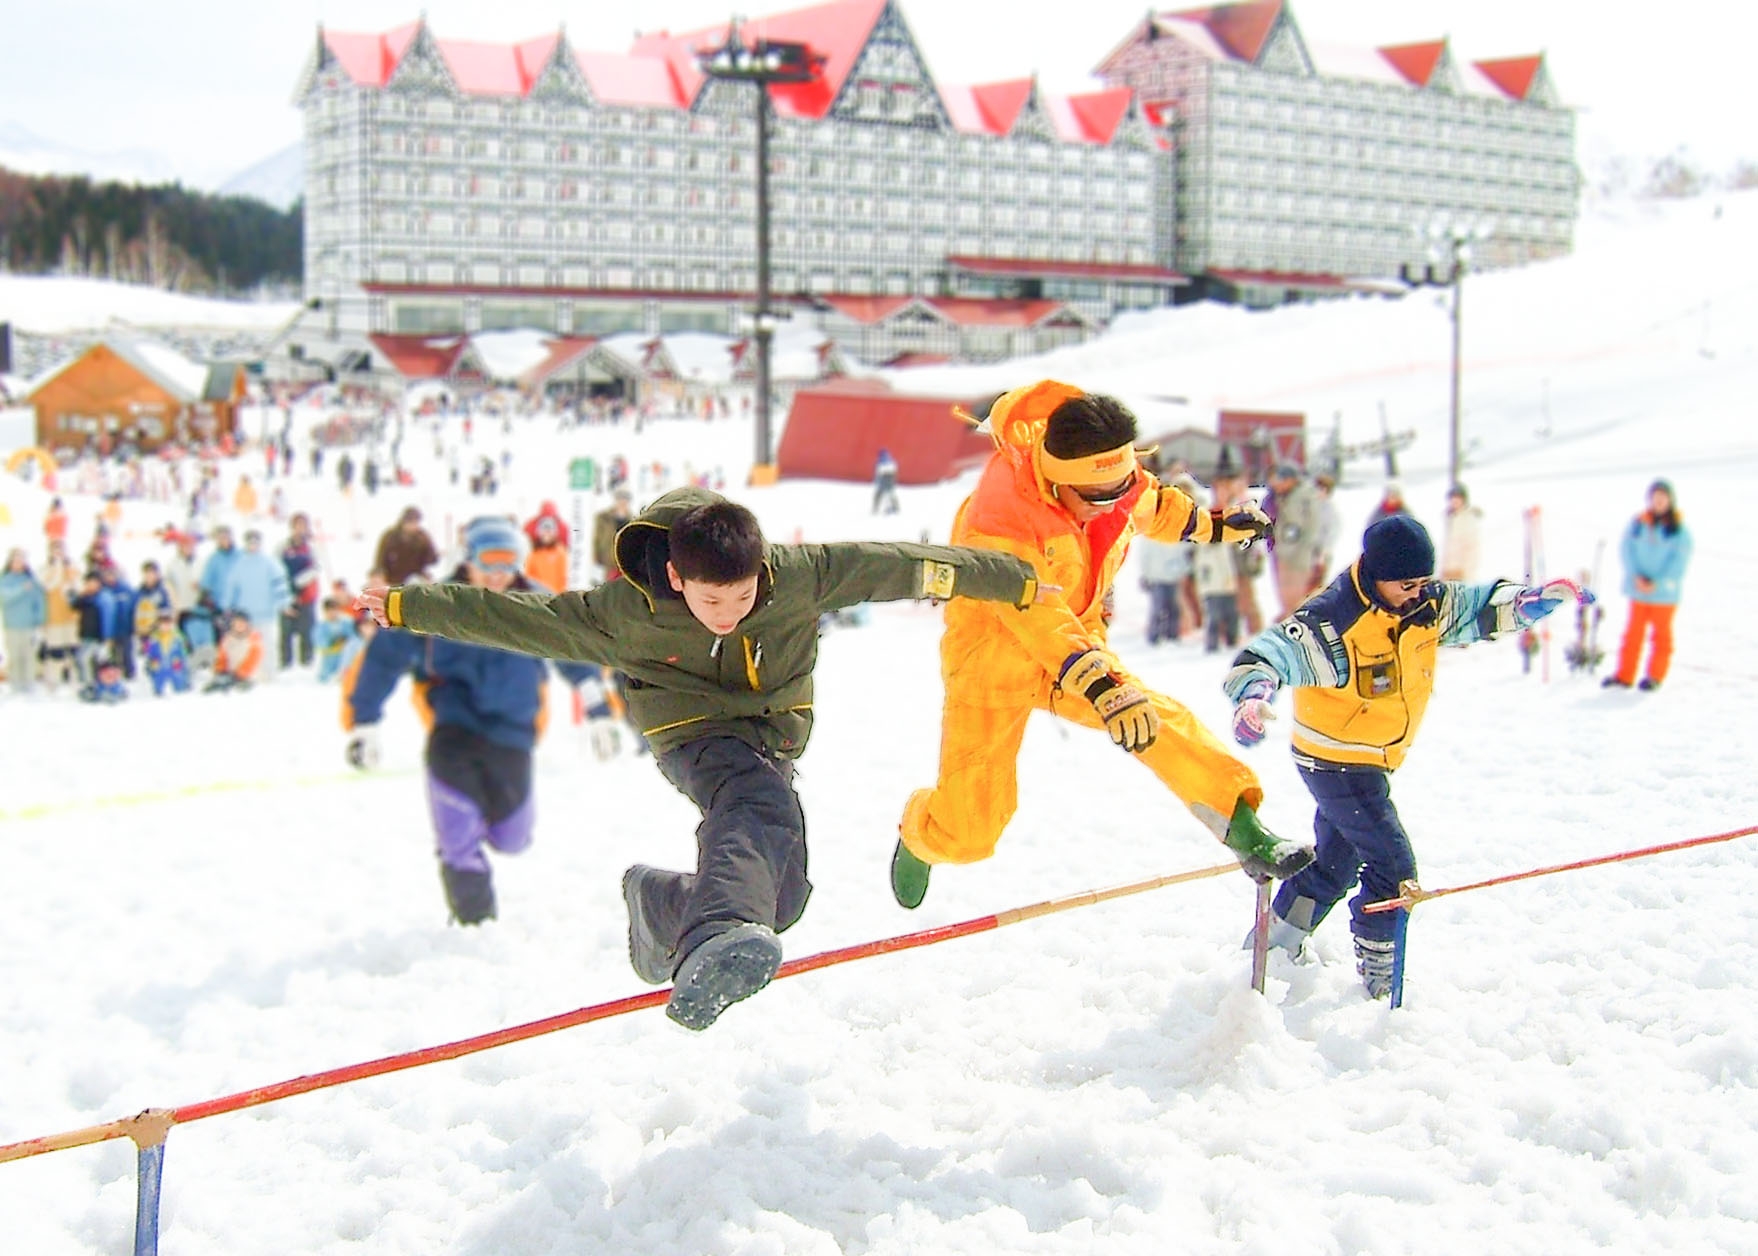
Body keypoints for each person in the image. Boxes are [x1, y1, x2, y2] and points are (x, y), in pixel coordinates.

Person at [357, 488, 1041, 1031]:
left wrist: (1016, 580)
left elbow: (907, 565)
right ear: (678, 576)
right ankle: (713, 928)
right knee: (753, 809)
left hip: (772, 738)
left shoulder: (802, 577)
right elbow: (510, 617)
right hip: (690, 732)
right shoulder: (621, 614)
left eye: (743, 596)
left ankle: (663, 906)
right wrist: (406, 605)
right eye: (712, 599)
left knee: (781, 897)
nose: (730, 614)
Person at [892, 382, 1311, 913]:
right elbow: (1035, 613)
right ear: (1055, 478)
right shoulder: (997, 520)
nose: (1110, 505)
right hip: (995, 659)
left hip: (1079, 650)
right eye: (1095, 498)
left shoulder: (1115, 483)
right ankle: (920, 832)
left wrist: (1220, 525)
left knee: (1156, 719)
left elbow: (1154, 507)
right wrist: (1102, 685)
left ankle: (1242, 827)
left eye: (1120, 489)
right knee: (972, 831)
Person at [1221, 514, 1589, 997]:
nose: (1417, 592)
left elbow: (1479, 608)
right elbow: (1266, 656)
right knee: (1393, 867)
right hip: (1336, 760)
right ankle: (1381, 974)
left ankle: (1274, 944)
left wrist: (1530, 602)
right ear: (1375, 576)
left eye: (1424, 582)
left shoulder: (1426, 604)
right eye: (1406, 584)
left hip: (1372, 757)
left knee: (1335, 863)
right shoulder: (1335, 619)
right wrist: (1254, 696)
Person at [344, 517, 599, 927]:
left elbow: (573, 649)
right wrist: (365, 722)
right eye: (489, 562)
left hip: (513, 734)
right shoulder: (432, 602)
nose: (498, 574)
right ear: (469, 559)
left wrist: (596, 705)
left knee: (513, 838)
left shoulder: (536, 603)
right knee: (457, 834)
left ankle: (482, 829)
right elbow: (383, 659)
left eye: (509, 563)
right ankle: (474, 921)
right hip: (454, 729)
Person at [1603, 479, 1692, 692]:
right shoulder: (1638, 523)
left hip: (1664, 594)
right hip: (1638, 590)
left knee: (1661, 636)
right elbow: (1626, 550)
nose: (1659, 502)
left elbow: (1679, 562)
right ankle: (1624, 675)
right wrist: (1636, 577)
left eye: (1663, 498)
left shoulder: (1679, 530)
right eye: (1655, 498)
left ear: (1670, 500)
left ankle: (1655, 676)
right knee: (1632, 634)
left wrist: (1657, 582)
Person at [223, 531, 291, 678]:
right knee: (247, 646)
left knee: (267, 645)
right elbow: (231, 586)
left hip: (266, 612)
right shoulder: (239, 564)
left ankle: (270, 673)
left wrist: (284, 603)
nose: (253, 545)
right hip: (246, 614)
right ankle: (250, 673)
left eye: (255, 542)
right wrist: (227, 606)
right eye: (250, 542)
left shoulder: (270, 563)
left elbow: (279, 584)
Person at [1264, 464, 1325, 617]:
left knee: (1296, 595)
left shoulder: (1306, 496)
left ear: (1291, 480)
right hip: (1283, 550)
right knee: (1284, 594)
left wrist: (1306, 547)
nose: (1278, 484)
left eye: (1281, 480)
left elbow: (1313, 524)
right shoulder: (1278, 496)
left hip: (1300, 552)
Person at [0, 549, 47, 695]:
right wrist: (22, 589)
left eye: (21, 560)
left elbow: (39, 601)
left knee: (29, 655)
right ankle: (15, 683)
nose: (18, 563)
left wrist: (40, 618)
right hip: (12, 624)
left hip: (29, 625)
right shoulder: (5, 580)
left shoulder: (31, 580)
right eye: (16, 560)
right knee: (14, 655)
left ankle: (29, 682)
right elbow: (6, 598)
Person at [280, 513, 321, 669]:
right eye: (297, 526)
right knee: (286, 630)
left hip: (306, 594)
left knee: (307, 630)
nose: (300, 529)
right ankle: (285, 662)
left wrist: (300, 583)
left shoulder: (311, 547)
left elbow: (316, 568)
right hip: (287, 593)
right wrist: (288, 587)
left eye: (303, 526)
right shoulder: (283, 546)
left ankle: (307, 661)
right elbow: (277, 567)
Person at [1136, 532, 1192, 644]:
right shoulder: (1150, 536)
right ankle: (1154, 635)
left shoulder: (1174, 532)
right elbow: (1144, 556)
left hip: (1173, 577)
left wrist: (1184, 570)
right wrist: (1146, 575)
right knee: (1158, 608)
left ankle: (1172, 635)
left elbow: (1183, 551)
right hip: (1157, 578)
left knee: (1173, 608)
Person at [372, 507, 438, 585]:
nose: (413, 526)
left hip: (416, 579)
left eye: (416, 522)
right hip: (393, 580)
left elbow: (432, 559)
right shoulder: (390, 537)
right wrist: (380, 576)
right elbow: (380, 561)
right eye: (411, 522)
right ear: (403, 522)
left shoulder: (422, 537)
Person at [206, 611, 264, 693]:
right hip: (230, 675)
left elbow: (253, 661)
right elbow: (222, 657)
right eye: (236, 623)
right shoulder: (228, 639)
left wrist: (239, 674)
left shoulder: (254, 640)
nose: (239, 625)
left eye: (242, 623)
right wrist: (221, 671)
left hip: (248, 677)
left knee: (239, 691)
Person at [1439, 484, 1483, 583]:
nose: (1454, 502)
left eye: (1457, 499)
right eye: (1452, 499)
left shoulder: (1469, 518)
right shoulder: (1449, 518)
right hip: (1448, 572)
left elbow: (1472, 548)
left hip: (1462, 573)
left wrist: (1466, 573)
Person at [141, 611, 192, 696]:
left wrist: (181, 660)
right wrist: (151, 660)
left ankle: (181, 691)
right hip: (159, 664)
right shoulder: (154, 637)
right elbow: (147, 651)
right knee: (158, 682)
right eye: (163, 624)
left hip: (174, 663)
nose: (165, 626)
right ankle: (158, 694)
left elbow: (184, 651)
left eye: (168, 623)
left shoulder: (177, 636)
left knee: (179, 681)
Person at [522, 502, 570, 592]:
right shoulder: (534, 554)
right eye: (543, 530)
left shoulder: (560, 552)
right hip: (537, 597)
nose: (546, 534)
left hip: (554, 597)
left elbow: (563, 579)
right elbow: (528, 577)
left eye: (550, 530)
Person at [591, 489, 634, 582]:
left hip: (625, 562)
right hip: (608, 561)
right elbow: (597, 539)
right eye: (620, 499)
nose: (622, 502)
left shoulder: (633, 520)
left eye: (625, 499)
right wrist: (596, 558)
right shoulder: (603, 517)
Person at [872, 447, 901, 515]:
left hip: (883, 479)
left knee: (879, 494)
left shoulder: (880, 461)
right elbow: (895, 472)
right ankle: (896, 507)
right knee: (890, 493)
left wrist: (877, 481)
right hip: (890, 479)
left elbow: (878, 473)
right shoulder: (891, 461)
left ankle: (876, 508)